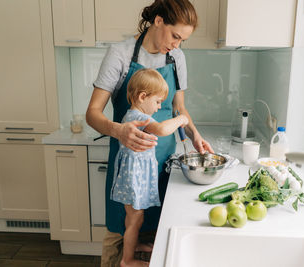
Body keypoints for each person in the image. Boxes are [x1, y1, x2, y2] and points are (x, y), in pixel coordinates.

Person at [86, 0, 214, 266]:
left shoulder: (176, 58)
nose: (177, 44)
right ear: (158, 21)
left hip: (163, 166)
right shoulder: (120, 54)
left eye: (183, 40)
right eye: (175, 35)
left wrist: (194, 134)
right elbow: (93, 113)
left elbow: (180, 108)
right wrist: (118, 130)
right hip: (129, 165)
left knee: (157, 233)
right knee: (118, 232)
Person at [111, 68, 188, 267]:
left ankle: (133, 245)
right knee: (135, 220)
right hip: (133, 179)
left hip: (134, 177)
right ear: (142, 96)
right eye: (157, 101)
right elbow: (162, 129)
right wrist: (182, 118)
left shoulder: (132, 114)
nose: (159, 107)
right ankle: (127, 260)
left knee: (134, 218)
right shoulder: (138, 116)